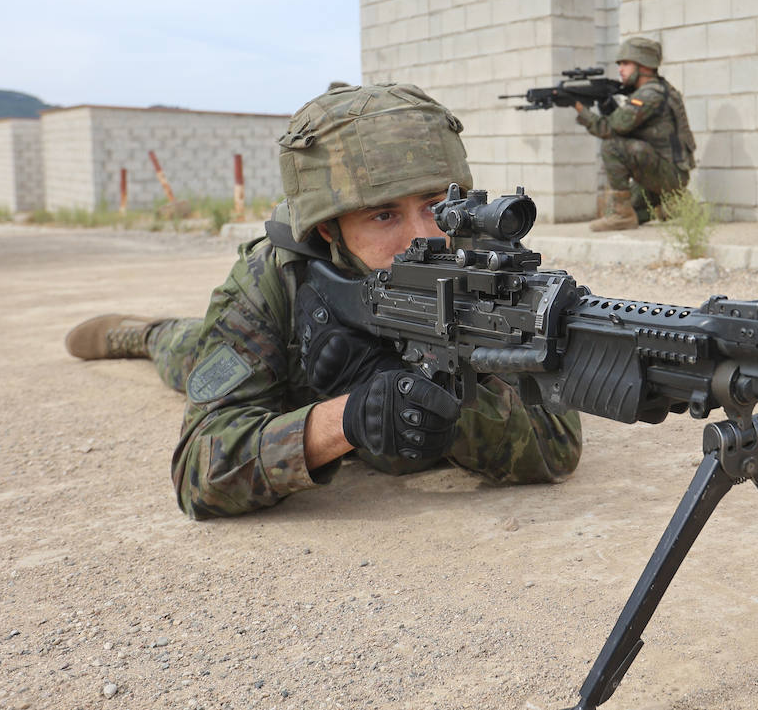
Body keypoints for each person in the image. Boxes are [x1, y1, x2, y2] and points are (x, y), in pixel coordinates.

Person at [64, 83, 583, 519]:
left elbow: (555, 446)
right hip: (286, 381)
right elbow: (201, 470)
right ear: (328, 227)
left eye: (434, 206)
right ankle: (145, 332)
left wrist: (433, 397)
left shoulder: (478, 265)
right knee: (188, 347)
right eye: (383, 216)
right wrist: (347, 419)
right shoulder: (269, 279)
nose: (421, 237)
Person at [574, 36, 696, 232]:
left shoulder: (649, 95)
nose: (620, 69)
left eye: (625, 63)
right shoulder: (658, 89)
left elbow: (610, 129)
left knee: (611, 146)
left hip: (667, 174)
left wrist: (581, 109)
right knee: (625, 213)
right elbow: (623, 123)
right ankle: (674, 203)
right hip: (662, 173)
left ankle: (624, 215)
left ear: (644, 66)